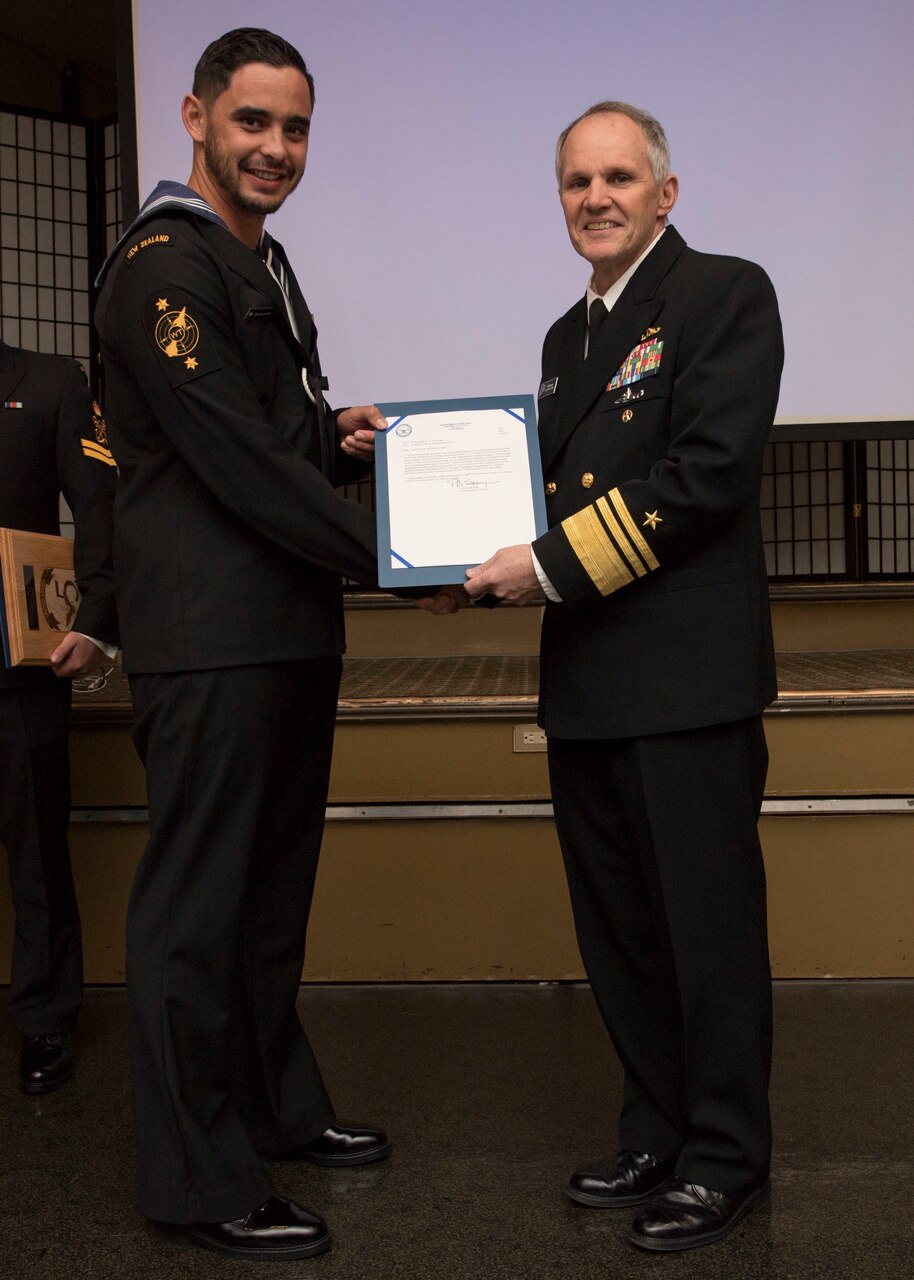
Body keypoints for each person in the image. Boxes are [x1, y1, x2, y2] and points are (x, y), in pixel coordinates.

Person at [94, 28, 456, 1262]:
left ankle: (270, 1109)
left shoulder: (262, 260)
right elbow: (228, 463)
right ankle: (199, 1177)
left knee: (266, 900)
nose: (275, 149)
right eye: (252, 123)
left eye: (294, 128)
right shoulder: (160, 266)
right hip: (210, 641)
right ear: (195, 116)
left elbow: (265, 434)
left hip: (282, 630)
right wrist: (392, 558)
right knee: (198, 906)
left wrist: (330, 435)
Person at [465, 102, 783, 1252]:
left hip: (687, 685)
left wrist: (536, 565)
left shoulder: (723, 295)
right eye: (572, 182)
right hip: (590, 682)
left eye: (614, 177)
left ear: (665, 191)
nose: (591, 198)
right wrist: (461, 548)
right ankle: (655, 1124)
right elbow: (544, 498)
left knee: (704, 931)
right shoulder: (566, 337)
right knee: (620, 931)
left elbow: (700, 479)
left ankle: (725, 1153)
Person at [0, 339, 117, 1093]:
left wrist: (100, 618)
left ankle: (45, 1020)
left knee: (38, 845)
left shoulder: (49, 382)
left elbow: (103, 505)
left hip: (20, 664)